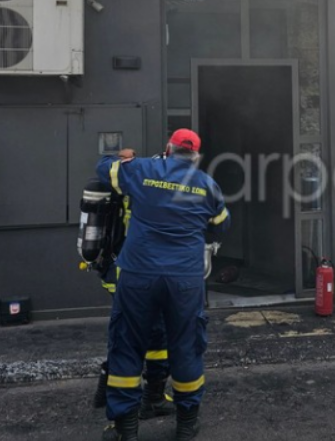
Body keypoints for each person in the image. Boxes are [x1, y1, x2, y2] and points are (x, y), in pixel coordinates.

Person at [96, 129, 230, 441]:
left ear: (167, 149)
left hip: (137, 275)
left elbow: (103, 170)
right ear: (195, 157)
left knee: (127, 344)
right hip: (184, 279)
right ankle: (186, 424)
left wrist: (119, 157)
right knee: (186, 346)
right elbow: (222, 223)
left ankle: (125, 429)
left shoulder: (142, 169)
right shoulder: (207, 186)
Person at [93, 194, 176, 421]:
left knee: (122, 334)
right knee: (157, 335)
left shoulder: (125, 184)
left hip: (115, 273)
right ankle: (152, 398)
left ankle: (106, 390)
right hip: (138, 278)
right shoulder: (152, 189)